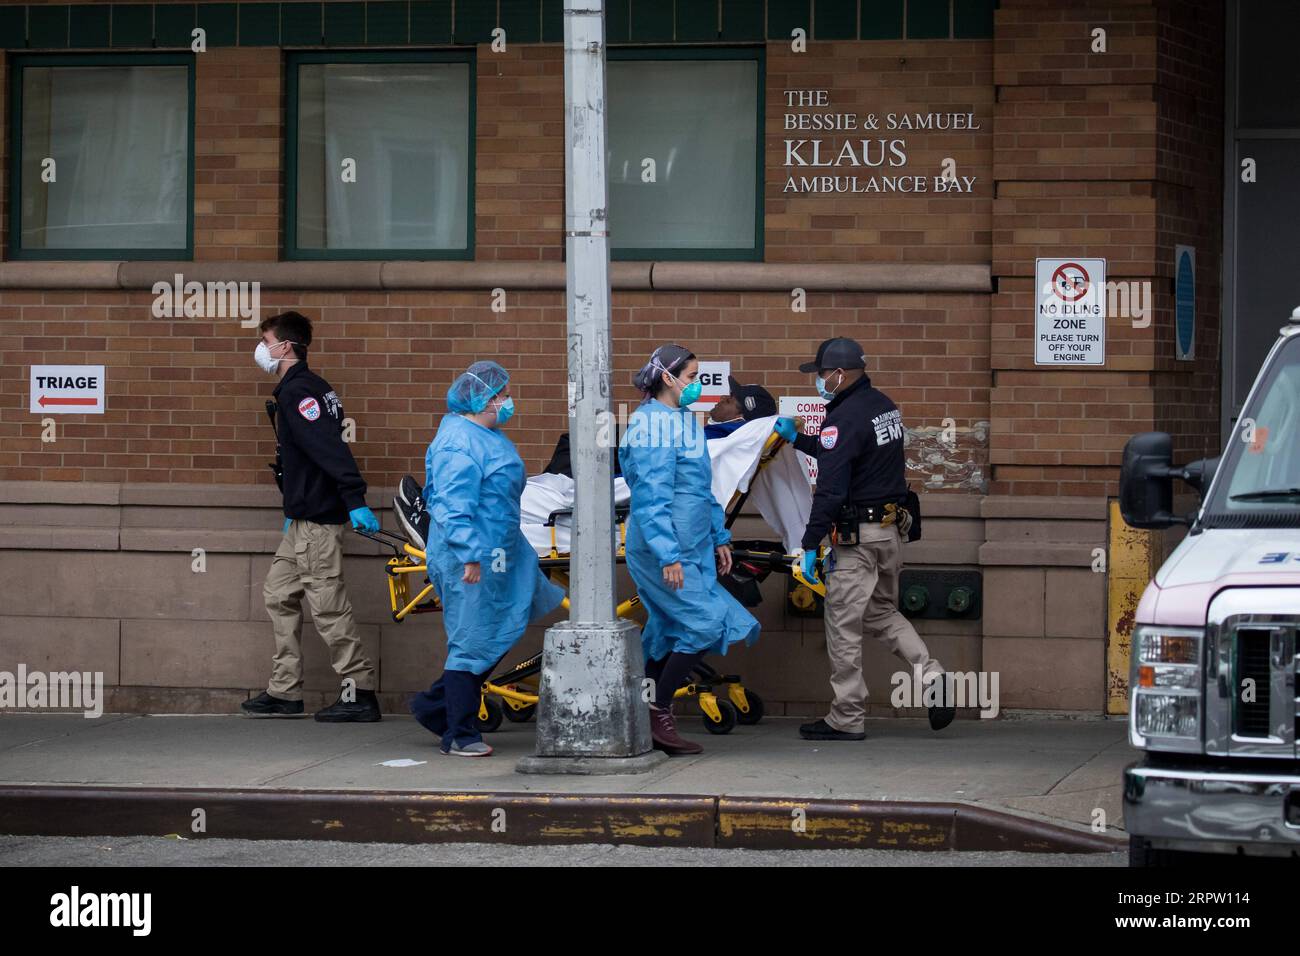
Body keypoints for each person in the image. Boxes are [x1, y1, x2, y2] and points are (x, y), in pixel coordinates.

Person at [774, 336, 956, 741]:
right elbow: (851, 457)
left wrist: (808, 543)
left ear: (839, 374)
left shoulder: (844, 418)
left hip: (856, 541)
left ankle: (846, 716)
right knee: (882, 614)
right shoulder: (882, 407)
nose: (818, 381)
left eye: (821, 374)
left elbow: (833, 490)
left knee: (843, 625)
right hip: (889, 533)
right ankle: (933, 676)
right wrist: (798, 439)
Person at [409, 361, 564, 757]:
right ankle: (458, 733)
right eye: (503, 395)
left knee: (498, 628)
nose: (509, 401)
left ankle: (434, 705)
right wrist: (469, 555)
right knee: (473, 639)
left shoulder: (487, 435)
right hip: (473, 556)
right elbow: (452, 506)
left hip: (504, 550)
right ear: (483, 399)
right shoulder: (457, 444)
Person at [619, 345, 760, 755]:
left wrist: (719, 536)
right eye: (692, 375)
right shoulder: (650, 427)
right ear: (668, 377)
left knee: (669, 629)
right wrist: (669, 556)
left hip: (690, 545)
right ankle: (657, 712)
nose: (699, 384)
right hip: (664, 549)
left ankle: (645, 713)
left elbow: (702, 488)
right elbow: (651, 498)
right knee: (703, 622)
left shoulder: (682, 420)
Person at [243, 310, 383, 722]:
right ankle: (285, 691)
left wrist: (353, 497)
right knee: (278, 594)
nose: (262, 349)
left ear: (285, 346)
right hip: (302, 519)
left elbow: (328, 449)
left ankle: (359, 693)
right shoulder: (307, 388)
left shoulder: (300, 392)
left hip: (318, 522)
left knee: (327, 606)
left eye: (266, 340)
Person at [704, 377, 778, 440]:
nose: (722, 397)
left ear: (739, 418)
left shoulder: (713, 438)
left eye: (728, 401)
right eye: (730, 395)